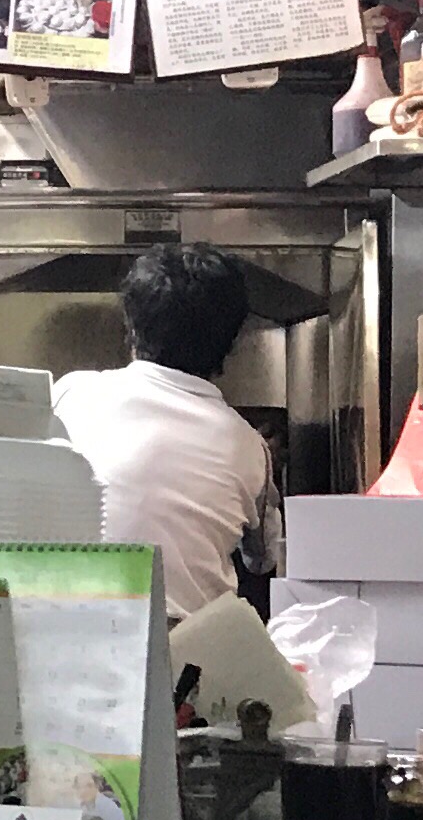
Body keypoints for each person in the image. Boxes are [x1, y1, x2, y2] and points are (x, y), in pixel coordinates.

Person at [52, 240, 272, 622]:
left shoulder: (71, 394)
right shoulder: (249, 446)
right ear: (233, 342)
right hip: (189, 647)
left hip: (68, 625)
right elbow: (263, 560)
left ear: (132, 326)